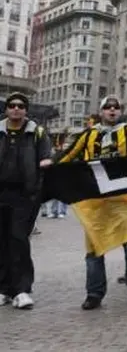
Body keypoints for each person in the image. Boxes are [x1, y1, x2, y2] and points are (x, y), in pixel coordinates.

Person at [59, 95, 127, 310]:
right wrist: (50, 166)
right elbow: (68, 154)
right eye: (107, 107)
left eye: (116, 107)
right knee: (94, 251)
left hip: (126, 201)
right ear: (101, 111)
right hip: (97, 202)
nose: (112, 110)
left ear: (120, 111)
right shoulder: (89, 135)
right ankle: (94, 294)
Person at [0, 92, 53, 309]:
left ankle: (22, 290)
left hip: (25, 196)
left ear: (26, 110)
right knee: (2, 241)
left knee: (18, 239)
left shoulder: (37, 132)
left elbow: (47, 155)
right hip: (1, 194)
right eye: (12, 105)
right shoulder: (0, 130)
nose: (16, 109)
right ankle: (3, 289)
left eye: (20, 106)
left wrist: (47, 162)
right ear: (6, 109)